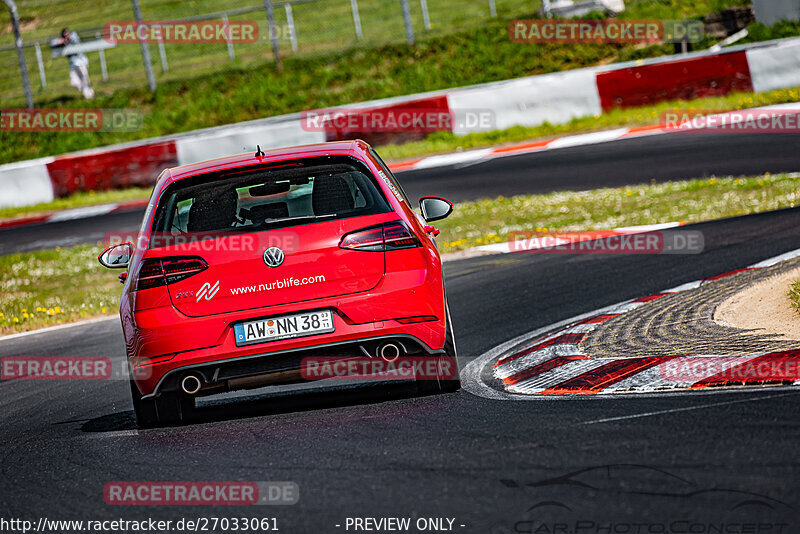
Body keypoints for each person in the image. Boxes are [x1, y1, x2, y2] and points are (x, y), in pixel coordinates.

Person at [56, 28, 95, 99]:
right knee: (74, 82)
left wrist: (68, 39)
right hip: (73, 64)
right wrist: (60, 42)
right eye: (65, 35)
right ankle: (88, 92)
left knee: (84, 79)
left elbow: (75, 39)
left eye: (67, 34)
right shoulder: (64, 42)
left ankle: (89, 97)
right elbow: (54, 43)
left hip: (82, 62)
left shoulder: (74, 37)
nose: (67, 36)